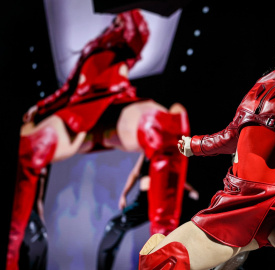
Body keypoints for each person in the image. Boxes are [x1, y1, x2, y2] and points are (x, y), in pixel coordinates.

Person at [137, 20, 275, 270]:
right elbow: (235, 133)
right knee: (161, 263)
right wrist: (196, 145)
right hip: (236, 199)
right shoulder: (265, 82)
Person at [8, 9, 191, 270]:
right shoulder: (89, 51)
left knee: (165, 124)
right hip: (78, 109)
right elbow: (66, 89)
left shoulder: (129, 36)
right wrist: (41, 107)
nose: (114, 21)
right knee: (33, 143)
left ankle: (164, 258)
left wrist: (127, 12)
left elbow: (137, 33)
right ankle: (10, 259)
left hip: (117, 101)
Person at [97, 153, 199, 270]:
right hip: (143, 201)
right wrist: (124, 194)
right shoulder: (147, 151)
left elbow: (176, 175)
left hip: (161, 199)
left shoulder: (170, 150)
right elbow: (135, 173)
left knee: (168, 237)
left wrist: (190, 190)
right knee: (114, 226)